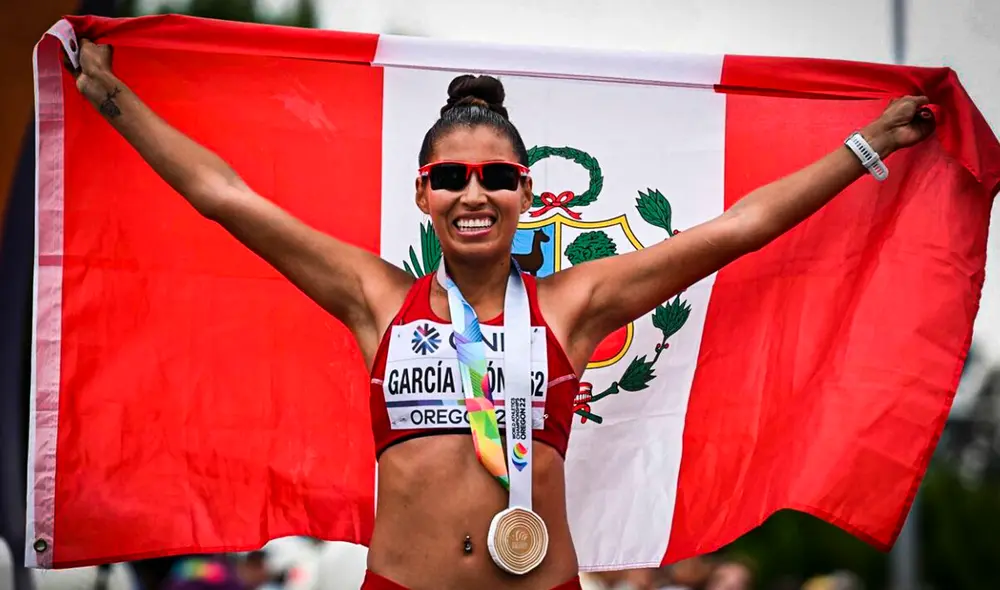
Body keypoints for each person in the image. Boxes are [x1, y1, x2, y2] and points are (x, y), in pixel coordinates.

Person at [65, 36, 934, 590]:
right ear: (423, 195)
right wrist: (111, 96)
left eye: (493, 177)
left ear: (527, 192)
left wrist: (870, 145)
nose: (471, 194)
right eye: (450, 177)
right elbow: (225, 197)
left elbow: (744, 226)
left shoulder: (577, 302)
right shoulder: (376, 297)